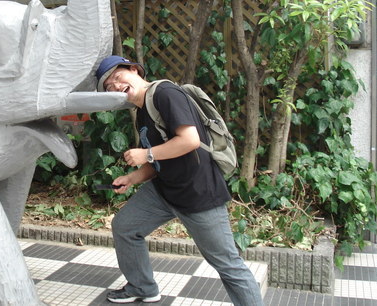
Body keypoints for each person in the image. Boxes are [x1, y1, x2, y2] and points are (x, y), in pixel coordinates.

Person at [95, 55, 264, 305]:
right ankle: (142, 287)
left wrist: (146, 154)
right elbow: (160, 160)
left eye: (118, 77)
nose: (116, 86)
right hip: (164, 191)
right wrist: (132, 177)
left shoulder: (165, 93)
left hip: (198, 193)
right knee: (125, 226)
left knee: (228, 264)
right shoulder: (143, 111)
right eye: (109, 86)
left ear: (134, 70)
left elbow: (189, 140)